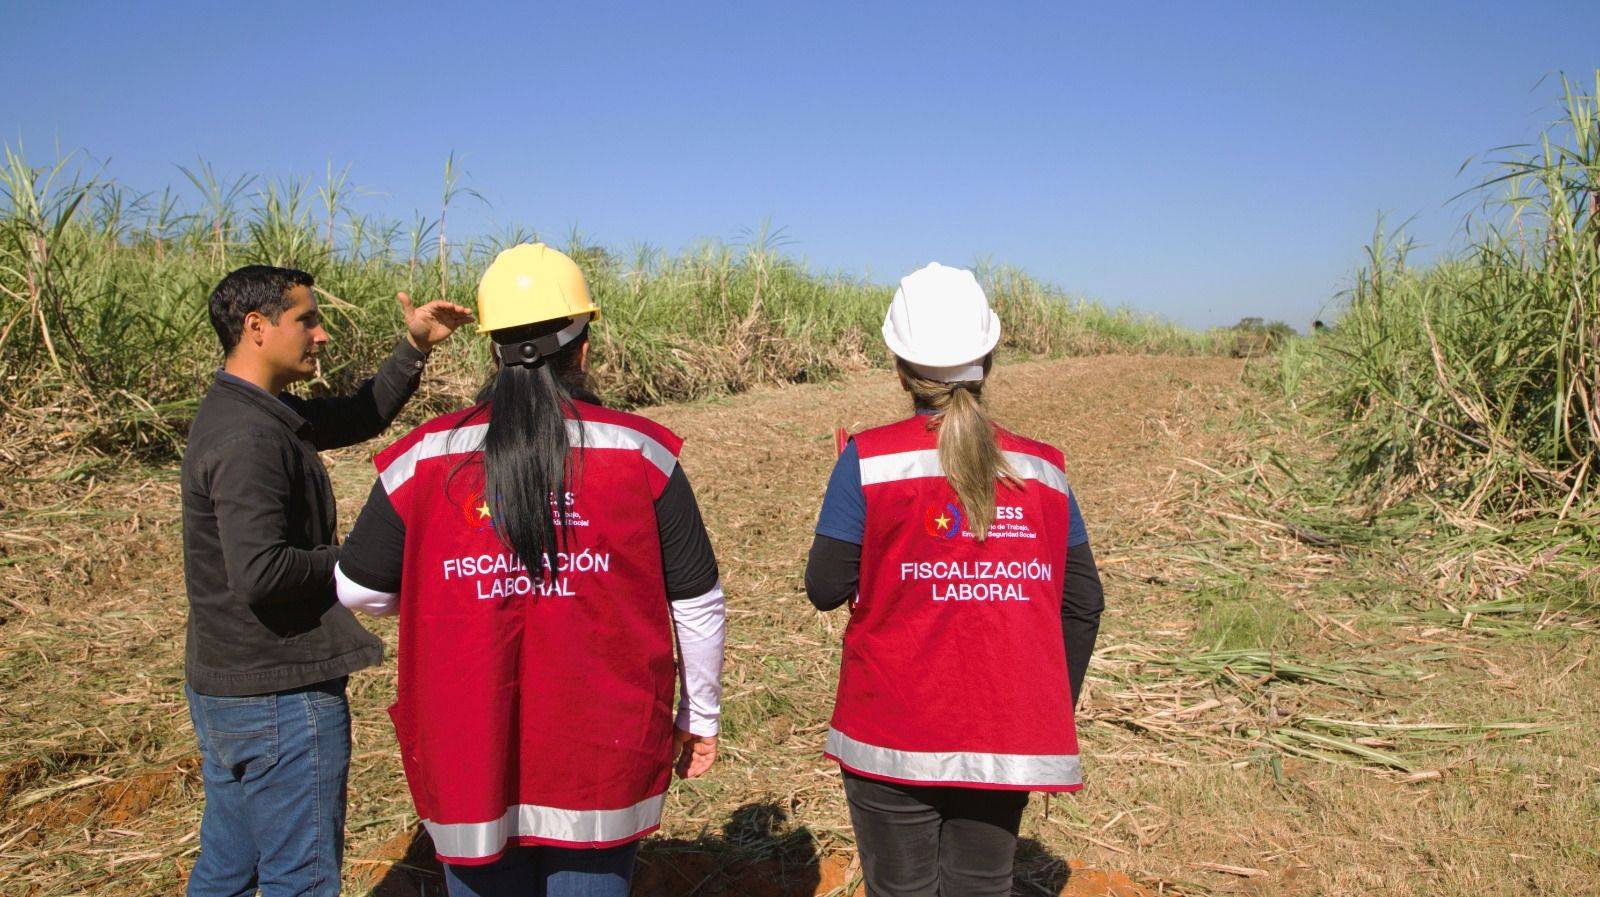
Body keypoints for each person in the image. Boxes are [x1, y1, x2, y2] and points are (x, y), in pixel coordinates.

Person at [334, 243, 726, 897]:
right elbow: (698, 600)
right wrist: (700, 715)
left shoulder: (423, 457)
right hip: (603, 749)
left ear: (491, 349)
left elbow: (357, 586)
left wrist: (454, 583)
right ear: (583, 347)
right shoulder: (642, 453)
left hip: (466, 746)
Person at [805, 263, 1104, 897]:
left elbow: (825, 586)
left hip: (890, 731)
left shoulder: (868, 459)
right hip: (1008, 732)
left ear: (898, 362)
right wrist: (1045, 705)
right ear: (990, 354)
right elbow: (1083, 603)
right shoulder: (1045, 470)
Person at [181, 265, 472, 897]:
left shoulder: (253, 409)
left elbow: (355, 417)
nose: (321, 335)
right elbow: (261, 572)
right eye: (306, 320)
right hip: (278, 694)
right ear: (256, 328)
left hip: (231, 684)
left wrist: (414, 346)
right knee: (301, 877)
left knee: (228, 869)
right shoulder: (249, 435)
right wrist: (359, 560)